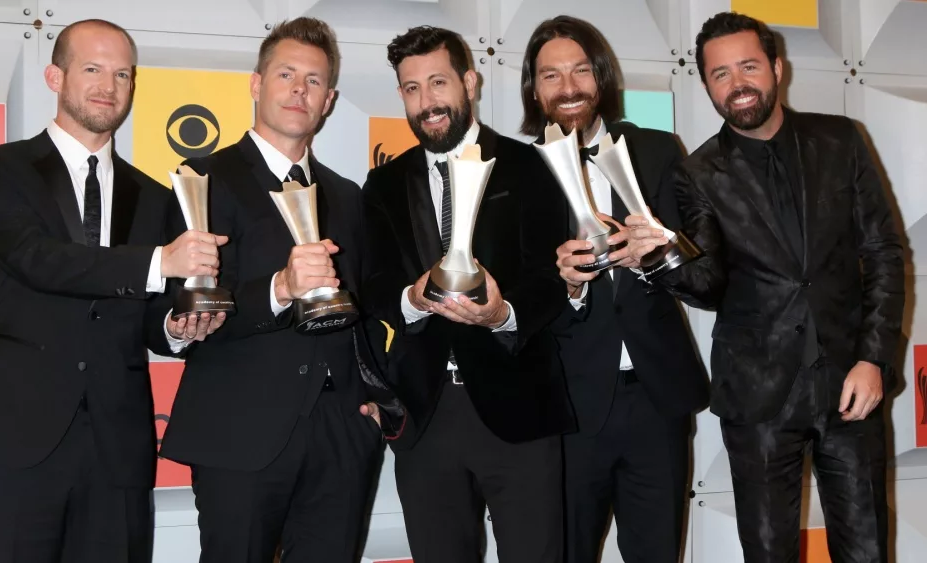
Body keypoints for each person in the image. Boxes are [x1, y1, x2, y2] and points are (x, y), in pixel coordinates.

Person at [627, 12, 905, 562]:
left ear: (777, 67)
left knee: (868, 551)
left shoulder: (842, 139)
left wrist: (873, 359)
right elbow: (707, 283)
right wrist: (659, 256)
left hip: (850, 386)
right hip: (757, 399)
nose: (737, 84)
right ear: (706, 83)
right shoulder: (698, 172)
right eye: (720, 74)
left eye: (748, 66)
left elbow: (884, 254)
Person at [0, 18, 225, 563]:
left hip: (116, 448)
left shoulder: (152, 195)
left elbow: (147, 312)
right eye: (93, 69)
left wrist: (174, 328)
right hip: (15, 440)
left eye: (122, 74)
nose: (108, 86)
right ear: (55, 76)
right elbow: (38, 261)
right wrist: (157, 261)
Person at [148, 17, 402, 563]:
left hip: (342, 435)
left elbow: (368, 308)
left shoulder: (348, 196)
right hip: (239, 430)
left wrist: (379, 399)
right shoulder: (198, 180)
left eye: (313, 81)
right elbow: (179, 311)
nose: (299, 90)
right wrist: (280, 289)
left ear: (329, 100)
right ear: (257, 84)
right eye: (286, 74)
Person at [361, 25, 574, 563]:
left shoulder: (529, 167)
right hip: (427, 415)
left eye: (438, 83)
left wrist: (503, 314)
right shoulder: (383, 184)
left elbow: (552, 278)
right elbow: (374, 286)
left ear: (470, 82)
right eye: (411, 88)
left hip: (520, 410)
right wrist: (412, 298)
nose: (427, 102)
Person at [520, 15, 710, 563]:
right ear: (534, 88)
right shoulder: (516, 172)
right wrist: (569, 287)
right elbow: (516, 303)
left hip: (658, 398)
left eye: (581, 70)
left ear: (601, 77)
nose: (569, 86)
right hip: (569, 407)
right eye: (551, 75)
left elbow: (700, 270)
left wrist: (656, 256)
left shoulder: (659, 150)